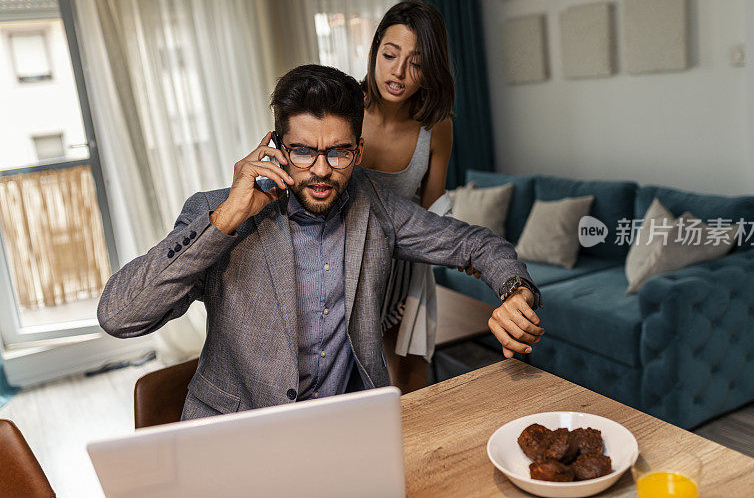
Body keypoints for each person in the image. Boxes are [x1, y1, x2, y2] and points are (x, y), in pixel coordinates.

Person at [97, 64, 542, 420]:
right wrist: (228, 218)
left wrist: (514, 290)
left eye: (339, 151)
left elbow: (476, 244)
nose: (322, 169)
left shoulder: (375, 207)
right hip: (234, 439)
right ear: (276, 147)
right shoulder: (219, 213)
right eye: (304, 150)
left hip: (345, 432)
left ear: (359, 151)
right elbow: (119, 315)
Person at [360, 0, 458, 392]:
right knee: (354, 385)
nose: (398, 72)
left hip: (404, 267)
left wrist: (465, 251)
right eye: (390, 54)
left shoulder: (436, 127)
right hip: (346, 265)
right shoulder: (344, 109)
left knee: (413, 384)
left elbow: (434, 208)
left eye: (415, 63)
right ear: (375, 53)